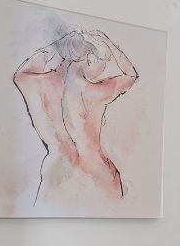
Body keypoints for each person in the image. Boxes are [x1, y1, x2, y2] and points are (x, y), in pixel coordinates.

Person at [12, 28, 138, 206]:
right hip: (95, 170)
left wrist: (59, 45)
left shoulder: (34, 83)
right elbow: (131, 75)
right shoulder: (94, 91)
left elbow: (19, 74)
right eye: (103, 61)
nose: (102, 69)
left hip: (56, 170)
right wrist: (108, 43)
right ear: (90, 59)